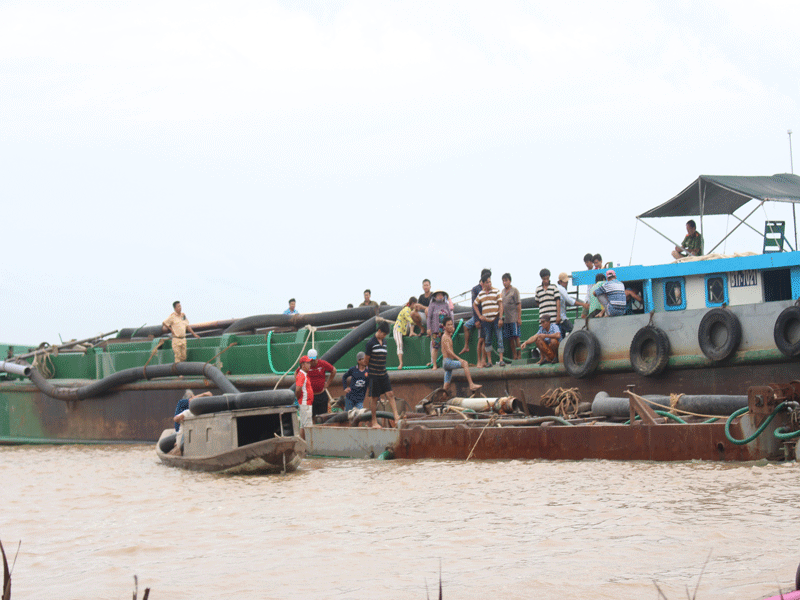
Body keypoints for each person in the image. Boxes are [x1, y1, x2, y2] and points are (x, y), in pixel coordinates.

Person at [364, 321, 400, 428]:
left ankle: (396, 416)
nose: (384, 336)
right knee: (374, 398)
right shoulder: (370, 343)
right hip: (374, 374)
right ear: (379, 331)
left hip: (383, 373)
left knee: (390, 394)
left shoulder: (384, 342)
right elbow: (366, 361)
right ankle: (374, 421)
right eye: (383, 334)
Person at [440, 317, 482, 395]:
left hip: (447, 363)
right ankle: (471, 384)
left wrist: (452, 330)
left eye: (451, 324)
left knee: (446, 385)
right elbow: (449, 351)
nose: (450, 326)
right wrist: (459, 359)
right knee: (465, 363)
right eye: (448, 325)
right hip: (447, 362)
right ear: (444, 326)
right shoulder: (445, 337)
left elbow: (452, 330)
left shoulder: (448, 335)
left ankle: (442, 397)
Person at [459, 268, 491, 366]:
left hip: (487, 317)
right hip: (479, 317)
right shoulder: (476, 289)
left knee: (484, 340)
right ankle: (478, 359)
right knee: (481, 339)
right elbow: (474, 305)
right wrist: (477, 320)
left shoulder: (490, 289)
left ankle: (483, 360)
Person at [474, 273, 505, 367]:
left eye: (490, 282)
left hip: (496, 318)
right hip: (486, 321)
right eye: (487, 282)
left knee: (500, 338)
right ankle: (489, 361)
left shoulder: (496, 291)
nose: (489, 284)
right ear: (483, 283)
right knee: (487, 340)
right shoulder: (481, 294)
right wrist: (480, 316)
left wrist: (500, 318)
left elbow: (500, 305)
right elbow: (475, 304)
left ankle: (501, 360)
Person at [172, 389, 213, 454]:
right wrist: (203, 394)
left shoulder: (206, 412)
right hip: (185, 439)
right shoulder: (187, 411)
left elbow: (209, 394)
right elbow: (175, 419)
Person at [305, 348, 337, 417]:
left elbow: (333, 370)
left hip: (321, 395)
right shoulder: (306, 365)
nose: (312, 362)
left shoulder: (322, 364)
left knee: (323, 417)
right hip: (310, 396)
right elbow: (297, 373)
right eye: (311, 360)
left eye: (314, 360)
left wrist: (328, 383)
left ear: (317, 357)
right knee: (311, 417)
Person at [555, 272, 588, 338]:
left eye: (567, 282)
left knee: (562, 336)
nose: (566, 284)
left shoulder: (558, 288)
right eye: (565, 282)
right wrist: (583, 304)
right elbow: (569, 300)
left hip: (560, 316)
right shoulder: (561, 289)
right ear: (560, 282)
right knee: (573, 331)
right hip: (562, 317)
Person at [427, 290, 453, 369]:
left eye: (441, 295)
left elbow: (450, 316)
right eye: (438, 295)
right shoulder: (432, 305)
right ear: (435, 296)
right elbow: (429, 317)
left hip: (445, 330)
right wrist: (428, 328)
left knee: (447, 346)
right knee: (435, 347)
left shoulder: (446, 305)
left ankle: (448, 363)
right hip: (435, 330)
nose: (440, 296)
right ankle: (434, 364)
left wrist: (452, 326)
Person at [393, 297, 419, 369]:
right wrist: (414, 323)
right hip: (398, 328)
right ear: (413, 303)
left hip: (404, 329)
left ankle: (411, 332)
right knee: (400, 344)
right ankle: (401, 363)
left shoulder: (411, 310)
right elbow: (408, 318)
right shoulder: (406, 309)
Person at [501, 273, 522, 360]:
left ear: (510, 281)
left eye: (506, 280)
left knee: (516, 337)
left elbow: (518, 304)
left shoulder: (514, 291)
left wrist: (519, 318)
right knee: (510, 338)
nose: (504, 282)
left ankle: (519, 354)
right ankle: (514, 355)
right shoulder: (502, 292)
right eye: (503, 281)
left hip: (514, 318)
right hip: (506, 319)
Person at [295, 355, 314, 428]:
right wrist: (300, 398)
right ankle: (307, 440)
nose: (310, 365)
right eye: (308, 363)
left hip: (305, 403)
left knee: (303, 426)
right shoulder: (301, 375)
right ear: (303, 365)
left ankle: (302, 439)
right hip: (305, 404)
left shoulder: (303, 375)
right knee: (307, 426)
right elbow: (298, 390)